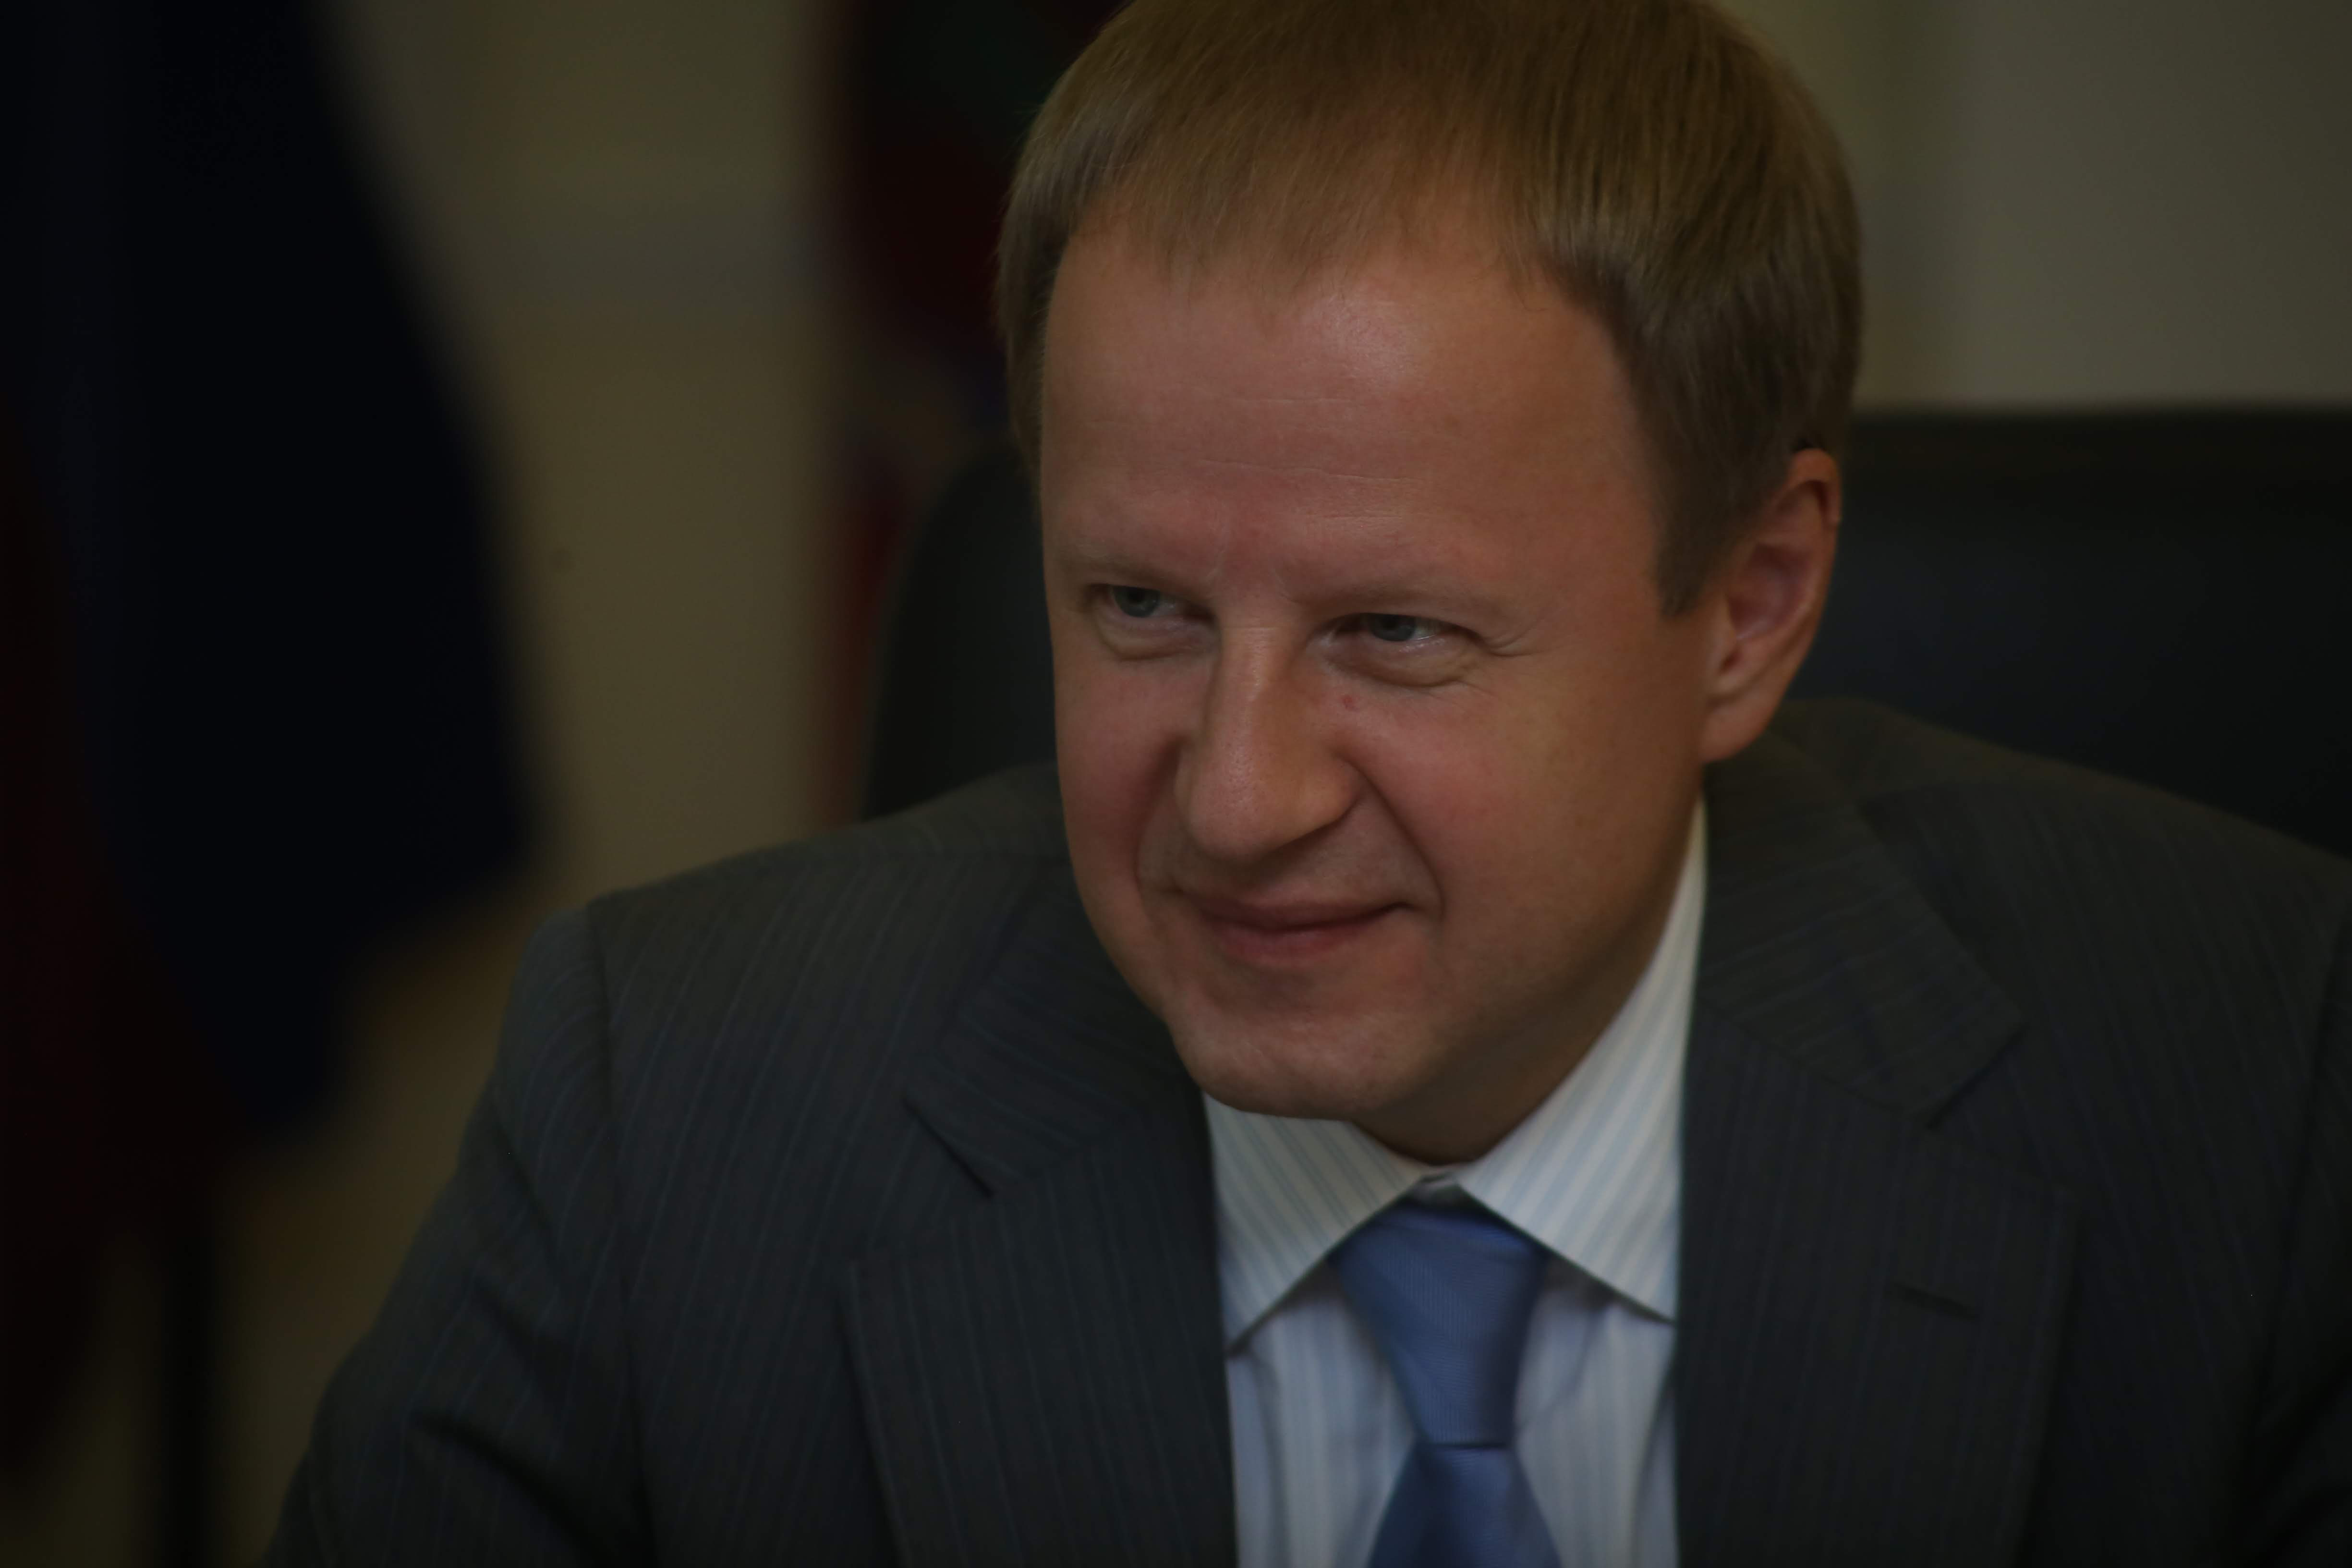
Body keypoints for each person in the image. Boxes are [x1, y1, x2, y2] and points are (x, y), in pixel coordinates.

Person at [263, 0, 2352, 1563]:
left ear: (1748, 605)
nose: (1234, 802)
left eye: (1394, 632)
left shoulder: (2253, 1081)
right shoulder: (669, 1108)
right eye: (1140, 605)